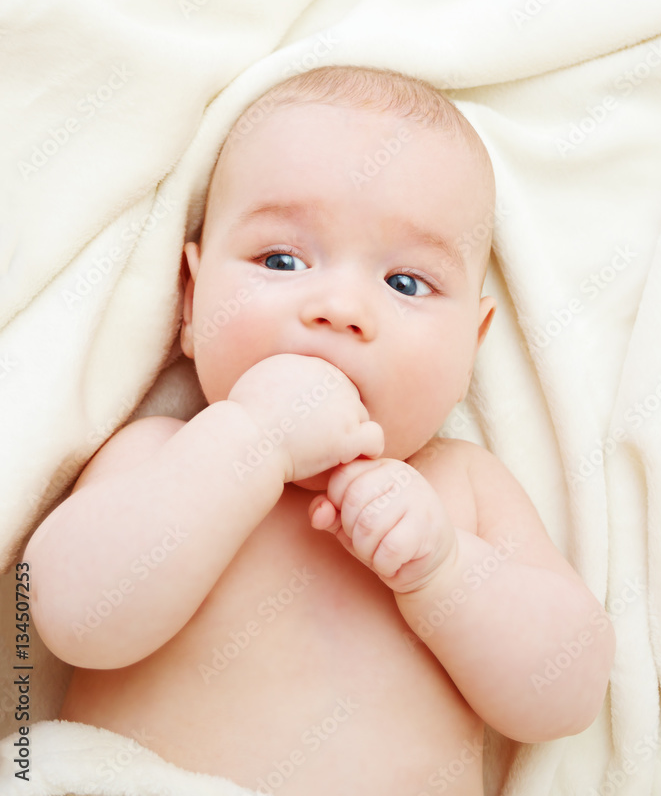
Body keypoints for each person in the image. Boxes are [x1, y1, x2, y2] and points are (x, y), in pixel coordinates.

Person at [24, 65, 615, 796]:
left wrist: (446, 572)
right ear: (188, 302)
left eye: (405, 282)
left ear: (472, 347)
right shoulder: (159, 455)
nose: (338, 306)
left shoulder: (461, 488)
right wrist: (251, 440)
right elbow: (70, 619)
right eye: (281, 259)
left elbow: (567, 694)